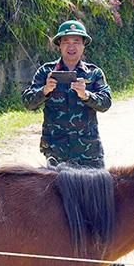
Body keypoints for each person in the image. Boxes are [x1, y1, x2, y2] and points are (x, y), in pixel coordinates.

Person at [21, 20, 112, 167]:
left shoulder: (94, 73)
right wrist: (45, 90)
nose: (71, 47)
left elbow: (106, 103)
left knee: (96, 183)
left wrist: (86, 95)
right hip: (56, 150)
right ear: (59, 45)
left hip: (88, 151)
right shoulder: (46, 71)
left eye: (76, 42)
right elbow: (28, 103)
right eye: (66, 42)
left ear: (84, 45)